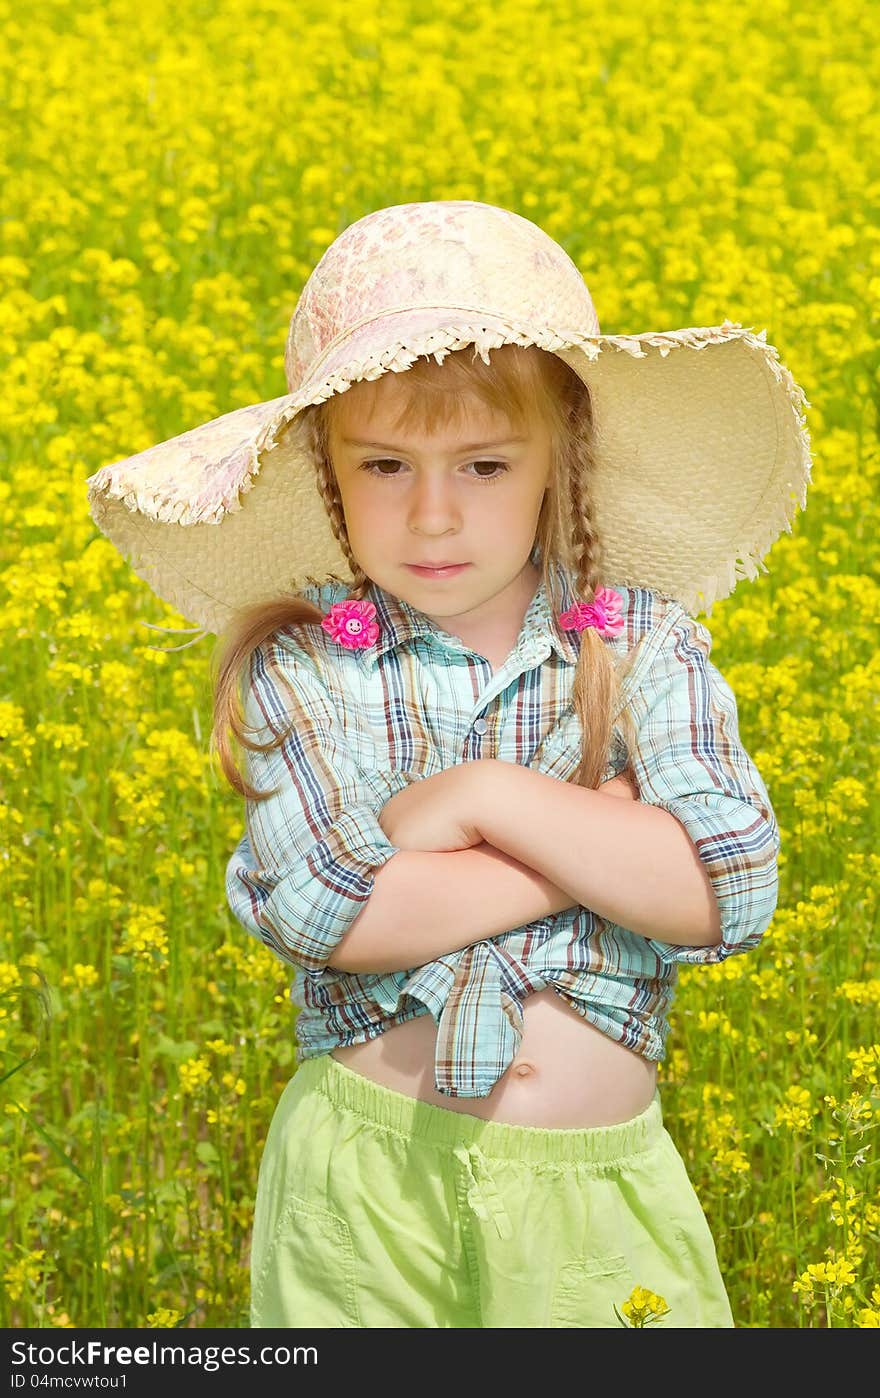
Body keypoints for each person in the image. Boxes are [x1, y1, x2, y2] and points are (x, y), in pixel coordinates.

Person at [86, 200, 812, 1329]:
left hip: (600, 1201)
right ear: (327, 475)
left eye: (482, 463)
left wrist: (482, 800)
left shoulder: (640, 644)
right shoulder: (303, 664)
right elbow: (331, 905)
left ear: (557, 462)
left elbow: (728, 888)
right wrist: (594, 836)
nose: (433, 515)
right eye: (384, 465)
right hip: (366, 1200)